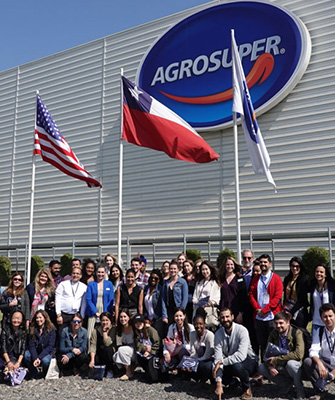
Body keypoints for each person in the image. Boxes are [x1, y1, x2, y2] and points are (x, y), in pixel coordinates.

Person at [213, 308, 258, 400]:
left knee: (236, 366)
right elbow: (218, 358)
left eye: (227, 316)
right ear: (219, 319)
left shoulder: (242, 330)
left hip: (248, 360)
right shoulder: (218, 334)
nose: (225, 319)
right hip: (230, 360)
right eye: (222, 317)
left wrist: (221, 362)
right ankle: (233, 383)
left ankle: (247, 387)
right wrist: (218, 383)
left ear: (232, 317)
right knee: (213, 368)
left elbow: (241, 355)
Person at [258, 311, 305, 399]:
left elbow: (299, 354)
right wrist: (269, 367)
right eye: (276, 323)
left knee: (292, 365)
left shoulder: (297, 333)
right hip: (279, 365)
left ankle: (300, 390)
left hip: (293, 365)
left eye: (281, 323)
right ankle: (286, 384)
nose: (278, 326)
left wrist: (276, 359)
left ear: (288, 323)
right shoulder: (273, 334)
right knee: (261, 368)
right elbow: (266, 353)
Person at [249, 254, 283, 361]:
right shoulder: (256, 279)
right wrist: (258, 309)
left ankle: (274, 368)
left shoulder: (276, 279)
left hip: (272, 317)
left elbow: (277, 297)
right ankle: (263, 368)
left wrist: (265, 310)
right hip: (259, 317)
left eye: (265, 262)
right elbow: (251, 295)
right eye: (261, 262)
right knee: (262, 345)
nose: (263, 264)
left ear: (270, 264)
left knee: (273, 345)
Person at [304, 303, 335, 400]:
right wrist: (319, 364)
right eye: (325, 317)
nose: (328, 319)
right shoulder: (320, 331)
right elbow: (313, 349)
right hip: (326, 363)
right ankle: (320, 391)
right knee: (308, 362)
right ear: (321, 319)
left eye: (330, 316)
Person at [184, 308, 214, 383]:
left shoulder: (209, 335)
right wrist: (190, 362)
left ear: (204, 324)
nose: (198, 326)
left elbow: (208, 354)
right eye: (196, 324)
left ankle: (206, 379)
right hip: (199, 358)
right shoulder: (192, 334)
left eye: (200, 324)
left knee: (204, 366)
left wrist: (196, 362)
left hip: (209, 359)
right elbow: (193, 352)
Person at [24, 310, 56, 378]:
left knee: (46, 361)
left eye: (40, 317)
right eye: (37, 318)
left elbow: (50, 346)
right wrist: (35, 358)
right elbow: (31, 346)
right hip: (36, 352)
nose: (38, 320)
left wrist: (39, 358)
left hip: (47, 353)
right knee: (26, 355)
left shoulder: (51, 329)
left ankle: (44, 372)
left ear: (45, 318)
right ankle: (33, 371)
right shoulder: (32, 329)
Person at [86, 265, 114, 340]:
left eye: (102, 272)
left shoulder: (109, 284)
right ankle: (90, 351)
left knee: (105, 334)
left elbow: (111, 299)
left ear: (105, 273)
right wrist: (96, 312)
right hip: (93, 311)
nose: (100, 274)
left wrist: (105, 314)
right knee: (90, 335)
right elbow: (88, 300)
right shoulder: (91, 284)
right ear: (95, 272)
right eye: (98, 272)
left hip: (105, 310)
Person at [55, 266, 87, 331]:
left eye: (77, 274)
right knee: (62, 335)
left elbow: (84, 303)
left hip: (76, 316)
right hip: (63, 315)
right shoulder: (63, 284)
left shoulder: (84, 287)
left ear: (81, 276)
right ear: (71, 274)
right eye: (74, 273)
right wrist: (58, 315)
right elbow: (57, 299)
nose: (75, 275)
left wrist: (82, 317)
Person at [308, 263, 335, 340]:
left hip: (329, 321)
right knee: (315, 344)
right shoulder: (313, 284)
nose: (319, 274)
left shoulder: (332, 286)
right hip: (316, 321)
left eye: (321, 272)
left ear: (326, 274)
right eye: (317, 271)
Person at [132, 313, 161, 383]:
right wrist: (144, 349)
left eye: (140, 322)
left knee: (153, 378)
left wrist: (150, 351)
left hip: (154, 353)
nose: (138, 324)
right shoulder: (136, 332)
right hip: (143, 353)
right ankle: (146, 371)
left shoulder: (150, 330)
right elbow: (138, 344)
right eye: (136, 323)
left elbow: (157, 343)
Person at [219, 256, 247, 324]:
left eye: (231, 264)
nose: (229, 266)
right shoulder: (220, 279)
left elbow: (243, 296)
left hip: (236, 310)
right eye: (227, 264)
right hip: (224, 311)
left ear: (234, 266)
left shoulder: (239, 278)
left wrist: (240, 313)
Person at [282, 256, 309, 328]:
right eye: (292, 266)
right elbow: (285, 296)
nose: (294, 268)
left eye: (297, 266)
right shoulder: (287, 279)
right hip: (287, 310)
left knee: (298, 334)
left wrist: (292, 312)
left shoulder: (304, 279)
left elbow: (302, 299)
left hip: (299, 311)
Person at [192, 261, 220, 329]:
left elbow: (216, 299)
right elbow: (194, 297)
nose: (205, 271)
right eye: (203, 270)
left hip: (209, 310)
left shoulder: (214, 283)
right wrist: (197, 302)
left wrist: (207, 303)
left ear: (210, 269)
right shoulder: (199, 283)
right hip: (198, 310)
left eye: (206, 269)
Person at [0, 310, 27, 376]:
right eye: (14, 318)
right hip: (5, 356)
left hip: (16, 357)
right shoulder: (5, 330)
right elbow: (3, 347)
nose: (16, 320)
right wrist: (8, 362)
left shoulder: (23, 332)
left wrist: (18, 362)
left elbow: (23, 349)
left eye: (18, 318)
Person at [162, 261, 188, 325]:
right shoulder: (165, 283)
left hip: (179, 309)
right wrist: (164, 315)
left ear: (178, 269)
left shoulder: (182, 282)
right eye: (171, 268)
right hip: (169, 311)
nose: (172, 270)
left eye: (174, 269)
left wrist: (181, 312)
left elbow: (185, 298)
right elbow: (163, 299)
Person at [88, 311, 115, 376]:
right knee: (89, 357)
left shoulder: (114, 330)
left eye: (107, 320)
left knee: (107, 349)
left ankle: (110, 369)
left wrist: (104, 332)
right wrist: (92, 360)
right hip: (99, 352)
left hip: (110, 353)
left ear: (110, 321)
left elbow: (108, 343)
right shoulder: (95, 331)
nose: (105, 322)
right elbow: (93, 345)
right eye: (103, 320)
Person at [112, 308, 136, 381]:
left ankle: (128, 372)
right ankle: (130, 368)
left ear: (129, 317)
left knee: (121, 350)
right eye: (121, 317)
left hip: (134, 349)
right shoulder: (120, 329)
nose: (123, 319)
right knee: (115, 356)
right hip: (126, 349)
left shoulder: (133, 327)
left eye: (125, 317)